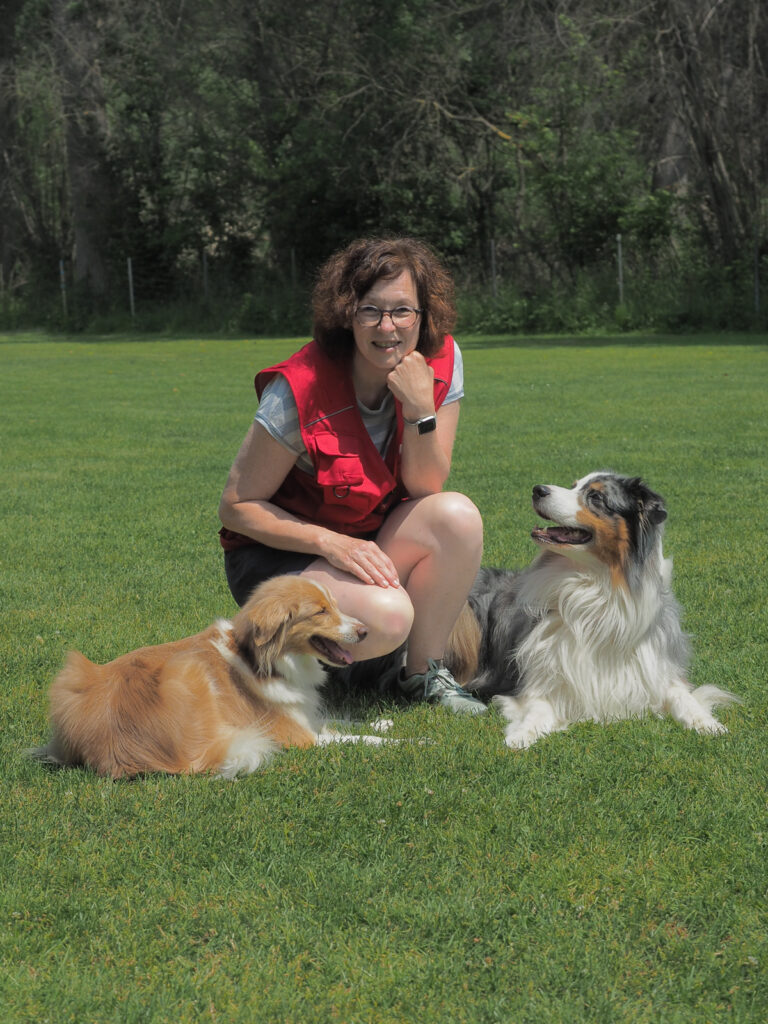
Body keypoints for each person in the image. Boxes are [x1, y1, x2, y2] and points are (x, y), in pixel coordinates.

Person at [218, 236, 485, 713]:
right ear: (347, 313)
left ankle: (423, 675)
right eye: (370, 311)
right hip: (282, 556)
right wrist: (329, 543)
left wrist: (419, 408)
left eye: (402, 311)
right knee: (389, 617)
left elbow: (425, 486)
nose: (387, 327)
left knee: (457, 516)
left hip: (365, 541)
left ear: (423, 314)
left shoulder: (444, 359)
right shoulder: (299, 387)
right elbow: (237, 507)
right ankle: (299, 662)